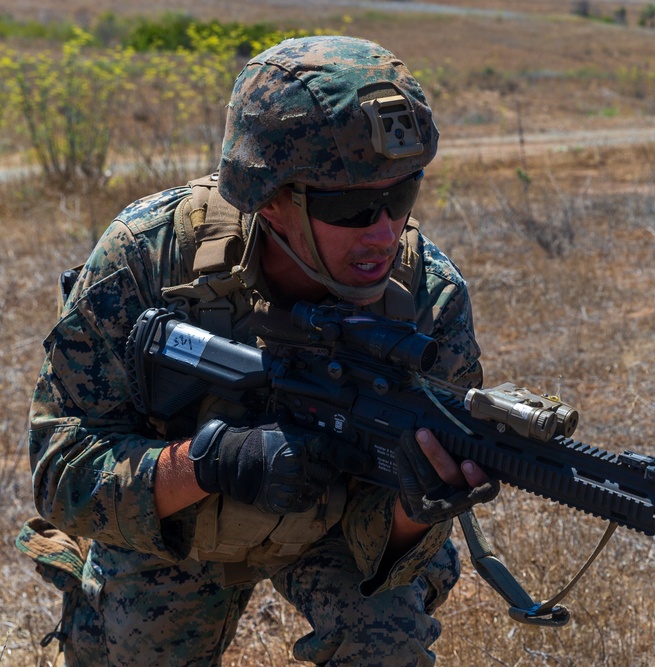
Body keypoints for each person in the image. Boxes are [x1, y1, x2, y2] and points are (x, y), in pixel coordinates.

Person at [17, 35, 499, 666]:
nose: (384, 231)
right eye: (351, 205)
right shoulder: (149, 256)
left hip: (331, 531)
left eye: (401, 194)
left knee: (386, 641)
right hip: (177, 529)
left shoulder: (428, 295)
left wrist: (420, 507)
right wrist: (211, 462)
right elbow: (60, 470)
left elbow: (391, 542)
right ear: (269, 200)